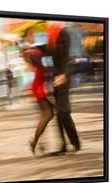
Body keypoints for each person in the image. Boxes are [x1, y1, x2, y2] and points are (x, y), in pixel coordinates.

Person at [47, 22, 81, 152]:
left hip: (64, 78)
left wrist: (64, 75)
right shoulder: (51, 36)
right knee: (59, 113)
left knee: (63, 111)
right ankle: (63, 145)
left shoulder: (64, 33)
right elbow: (49, 52)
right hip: (55, 79)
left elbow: (69, 58)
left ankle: (75, 142)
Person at [23, 48, 54, 154]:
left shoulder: (35, 53)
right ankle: (35, 142)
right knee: (48, 114)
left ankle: (39, 142)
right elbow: (31, 63)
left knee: (47, 115)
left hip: (38, 86)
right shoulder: (32, 53)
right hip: (38, 89)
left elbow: (33, 66)